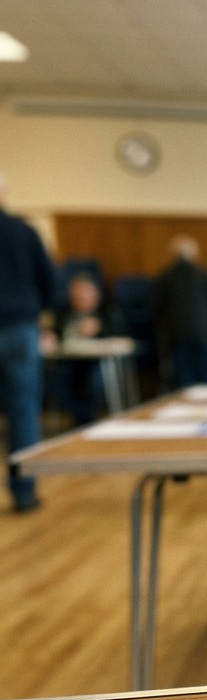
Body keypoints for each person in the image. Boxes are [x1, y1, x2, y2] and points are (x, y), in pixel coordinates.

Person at [0, 173, 55, 512]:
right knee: (23, 412)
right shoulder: (24, 232)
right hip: (20, 329)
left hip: (21, 326)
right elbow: (48, 281)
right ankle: (23, 493)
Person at [46, 272, 127, 425]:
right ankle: (84, 416)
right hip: (71, 363)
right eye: (75, 293)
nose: (78, 297)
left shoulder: (108, 311)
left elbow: (121, 334)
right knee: (54, 381)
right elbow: (55, 334)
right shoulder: (64, 313)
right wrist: (50, 336)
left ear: (95, 293)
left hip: (98, 364)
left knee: (96, 381)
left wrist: (100, 328)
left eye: (83, 292)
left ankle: (86, 418)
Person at [152, 235, 207, 388]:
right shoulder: (204, 275)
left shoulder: (165, 277)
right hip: (206, 334)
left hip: (178, 335)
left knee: (185, 385)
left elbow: (156, 307)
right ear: (194, 254)